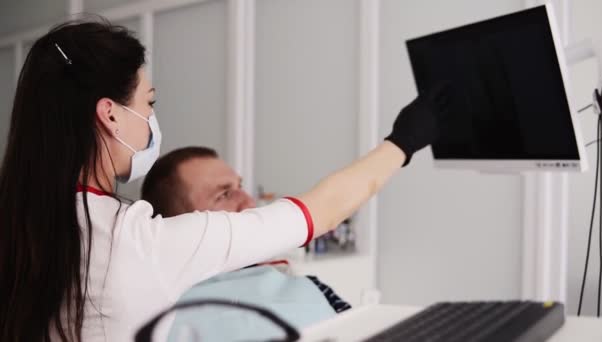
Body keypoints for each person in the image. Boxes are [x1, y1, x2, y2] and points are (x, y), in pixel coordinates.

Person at [0, 18, 451, 342]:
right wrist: (405, 140)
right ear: (111, 114)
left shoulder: (24, 227)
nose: (153, 119)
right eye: (149, 102)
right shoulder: (138, 243)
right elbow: (321, 210)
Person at [140, 146, 351, 313]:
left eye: (239, 187)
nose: (249, 202)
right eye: (224, 195)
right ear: (180, 225)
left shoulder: (306, 285)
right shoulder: (158, 319)